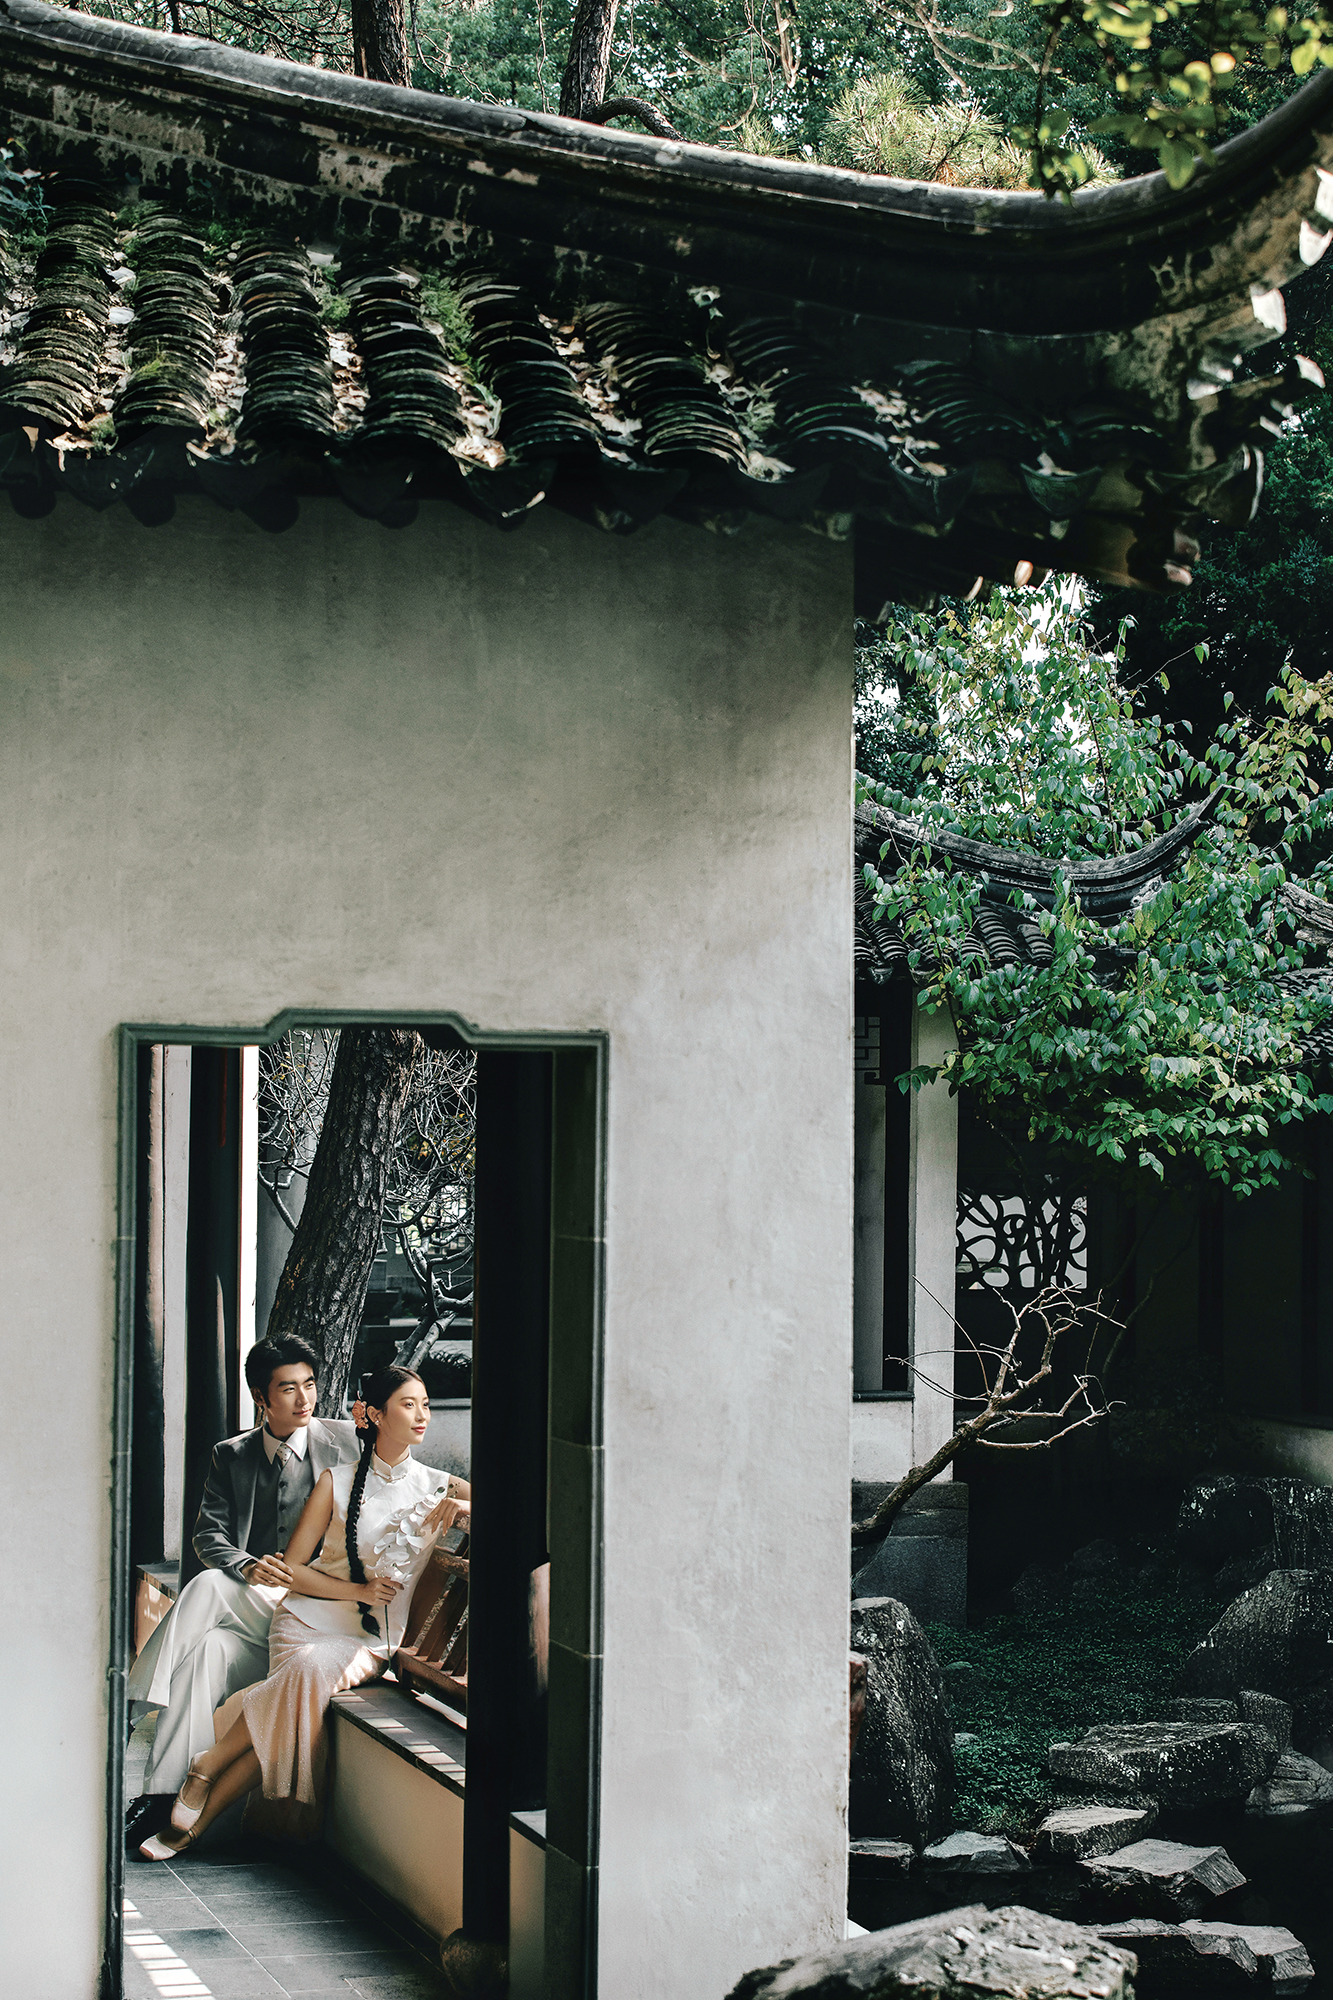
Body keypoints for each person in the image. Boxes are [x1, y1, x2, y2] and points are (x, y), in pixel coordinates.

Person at [139, 1363, 470, 1859]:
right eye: (409, 1405)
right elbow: (292, 1571)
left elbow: (518, 1508)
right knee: (296, 1684)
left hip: (369, 1641)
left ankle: (206, 1768)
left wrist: (466, 1508)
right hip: (303, 1622)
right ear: (376, 1415)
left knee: (299, 1687)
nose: (423, 1415)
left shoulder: (439, 1485)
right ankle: (193, 1826)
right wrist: (360, 1591)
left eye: (425, 1404)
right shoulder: (337, 1480)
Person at [124, 1336, 360, 1848]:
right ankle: (164, 1795)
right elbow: (208, 1536)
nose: (304, 1398)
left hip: (321, 1612)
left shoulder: (348, 1443)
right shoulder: (231, 1455)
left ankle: (131, 1705)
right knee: (208, 1645)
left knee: (209, 1596)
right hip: (262, 1609)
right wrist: (248, 1565)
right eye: (288, 1388)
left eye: (309, 1384)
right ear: (260, 1397)